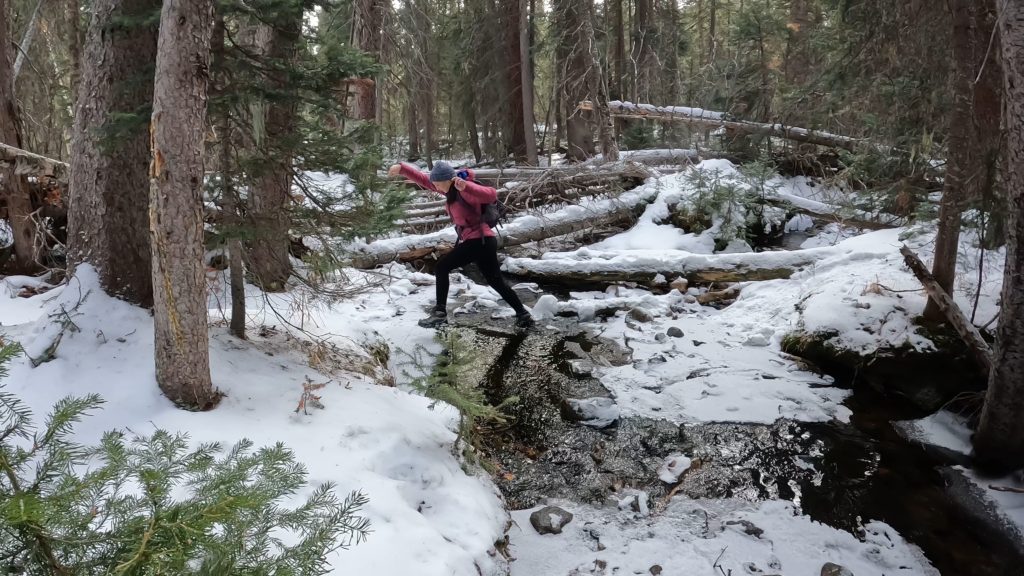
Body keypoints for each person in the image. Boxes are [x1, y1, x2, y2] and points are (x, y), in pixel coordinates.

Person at [388, 160, 535, 328]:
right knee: (496, 281)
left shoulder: (463, 190)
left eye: (437, 183)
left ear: (447, 180)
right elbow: (424, 179)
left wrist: (466, 187)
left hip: (479, 241)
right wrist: (402, 168)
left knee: (442, 267)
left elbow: (491, 194)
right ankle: (523, 314)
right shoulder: (449, 189)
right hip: (482, 241)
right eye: (434, 183)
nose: (435, 187)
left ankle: (440, 313)